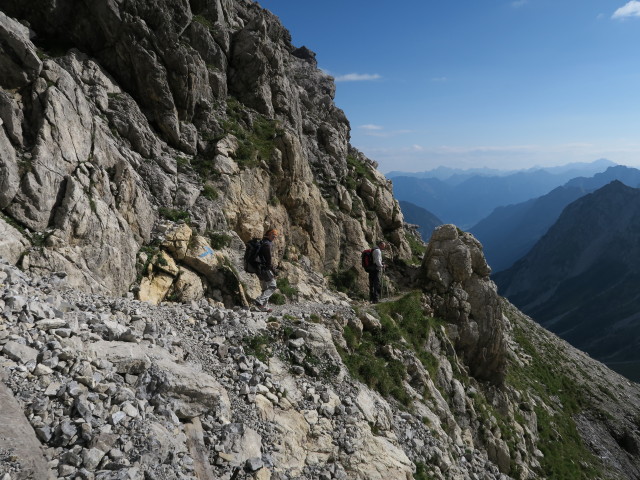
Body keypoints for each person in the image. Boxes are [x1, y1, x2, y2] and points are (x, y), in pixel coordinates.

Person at [254, 228, 279, 312]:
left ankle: (263, 307)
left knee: (266, 287)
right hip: (264, 268)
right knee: (272, 286)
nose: (274, 237)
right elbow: (268, 261)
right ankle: (260, 301)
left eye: (275, 236)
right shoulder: (267, 244)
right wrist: (274, 271)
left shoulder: (263, 242)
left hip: (259, 268)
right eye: (273, 235)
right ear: (268, 235)